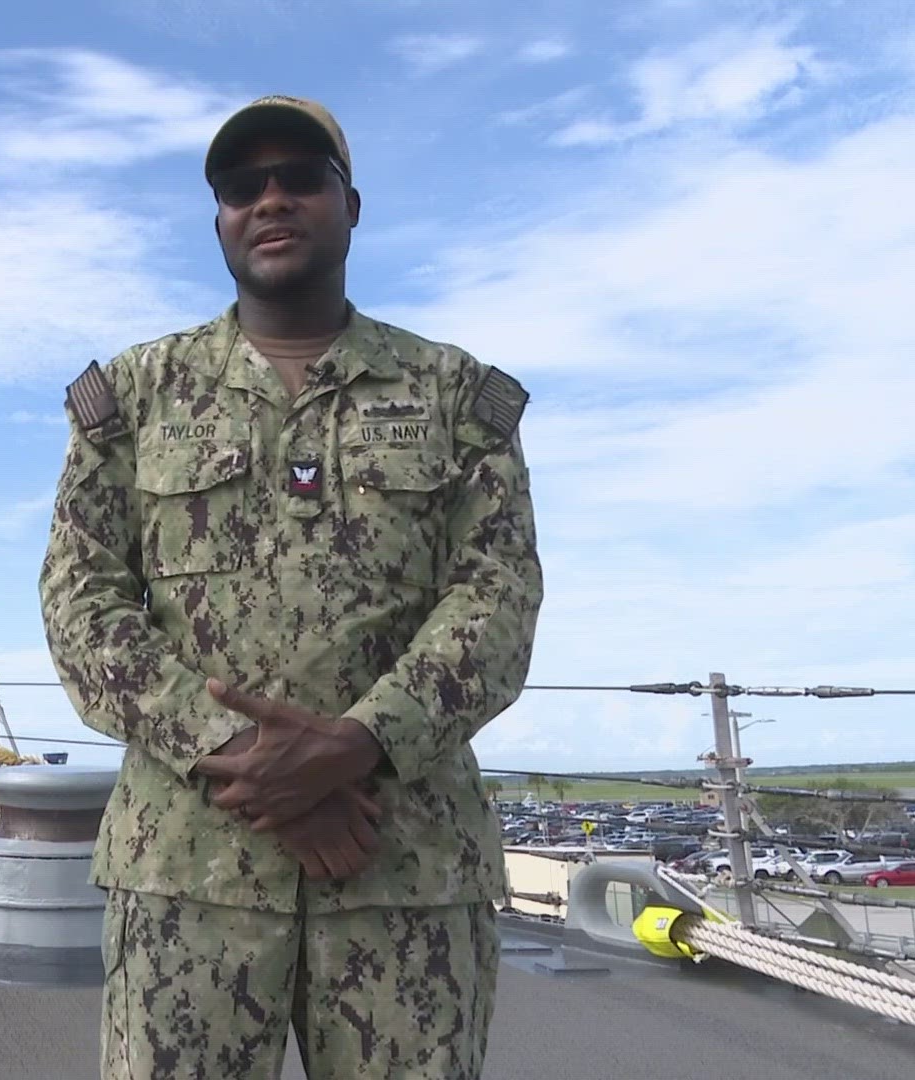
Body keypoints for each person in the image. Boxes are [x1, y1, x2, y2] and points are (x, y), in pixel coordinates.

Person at [37, 95, 544, 1080]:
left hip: (403, 871)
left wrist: (356, 746)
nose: (271, 200)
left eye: (299, 178)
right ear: (220, 218)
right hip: (191, 875)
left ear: (350, 205)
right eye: (242, 186)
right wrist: (242, 758)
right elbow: (82, 606)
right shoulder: (135, 398)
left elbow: (497, 602)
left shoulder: (454, 396)